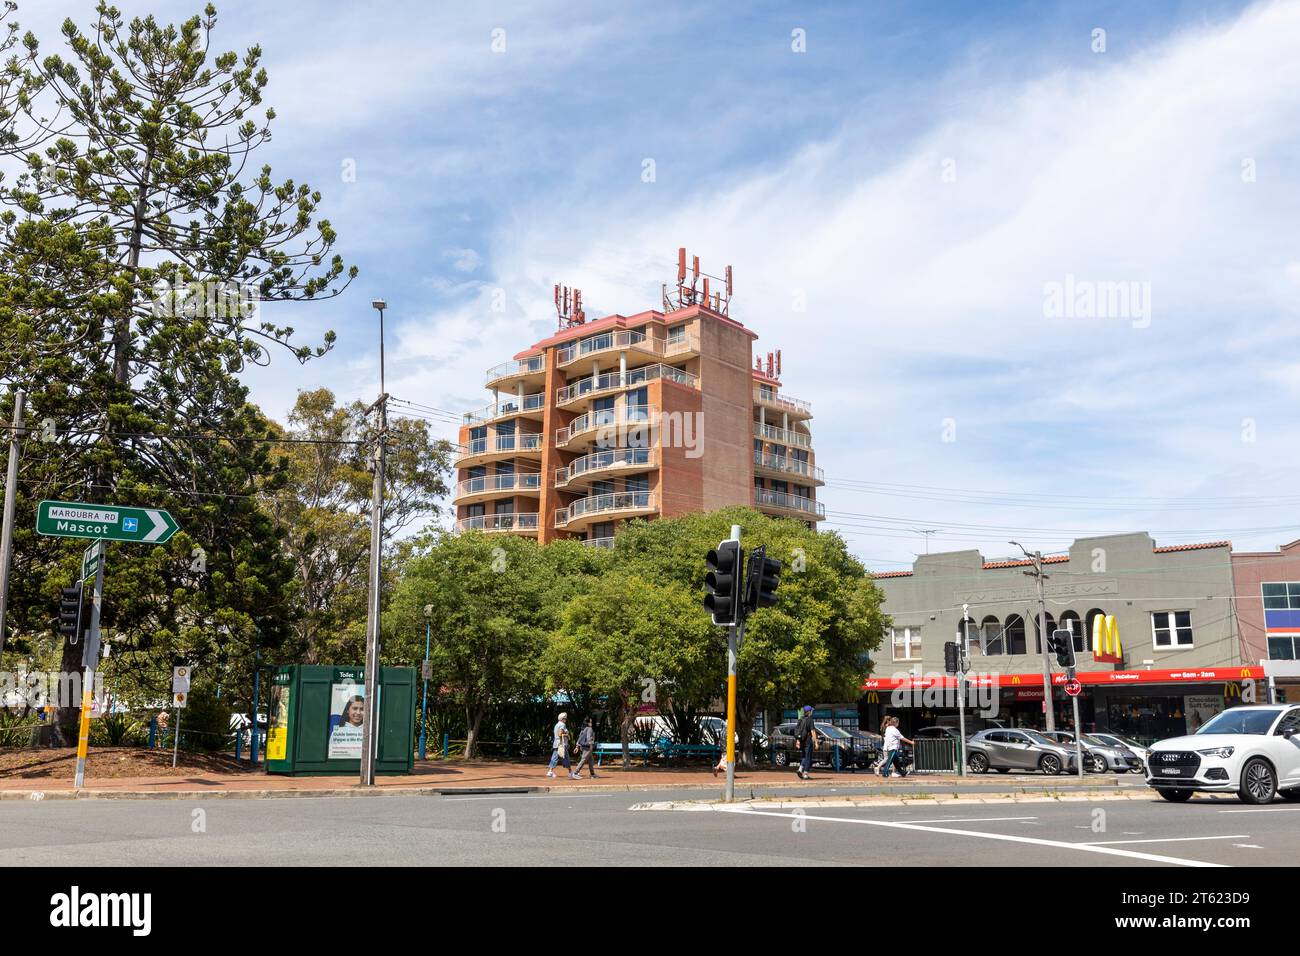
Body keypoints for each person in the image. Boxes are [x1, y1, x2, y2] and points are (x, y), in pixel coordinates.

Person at [547, 712, 578, 779]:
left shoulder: (557, 724)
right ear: (563, 719)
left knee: (555, 758)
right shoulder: (562, 724)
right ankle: (570, 772)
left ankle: (550, 771)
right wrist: (567, 735)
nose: (566, 720)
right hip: (561, 744)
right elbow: (560, 733)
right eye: (565, 718)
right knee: (566, 758)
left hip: (557, 744)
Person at [794, 705, 818, 780]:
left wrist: (798, 741)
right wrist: (816, 742)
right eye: (811, 711)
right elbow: (813, 731)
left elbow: (798, 731)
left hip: (802, 740)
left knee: (804, 755)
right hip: (808, 739)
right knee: (808, 757)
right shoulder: (810, 720)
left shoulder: (801, 719)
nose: (812, 712)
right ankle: (805, 774)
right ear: (809, 712)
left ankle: (800, 769)